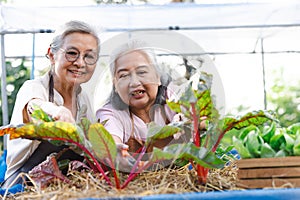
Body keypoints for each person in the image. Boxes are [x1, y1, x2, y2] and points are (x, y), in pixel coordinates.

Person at [2, 20, 101, 188]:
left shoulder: (83, 98)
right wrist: (55, 110)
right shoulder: (33, 87)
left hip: (65, 186)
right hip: (22, 185)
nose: (80, 63)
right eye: (72, 53)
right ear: (51, 55)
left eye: (89, 56)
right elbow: (34, 106)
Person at [96, 40, 187, 171]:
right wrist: (114, 151)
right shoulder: (110, 112)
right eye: (124, 75)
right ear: (115, 84)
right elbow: (111, 140)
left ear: (157, 77)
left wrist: (186, 121)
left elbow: (191, 117)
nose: (134, 82)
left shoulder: (172, 97)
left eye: (142, 72)